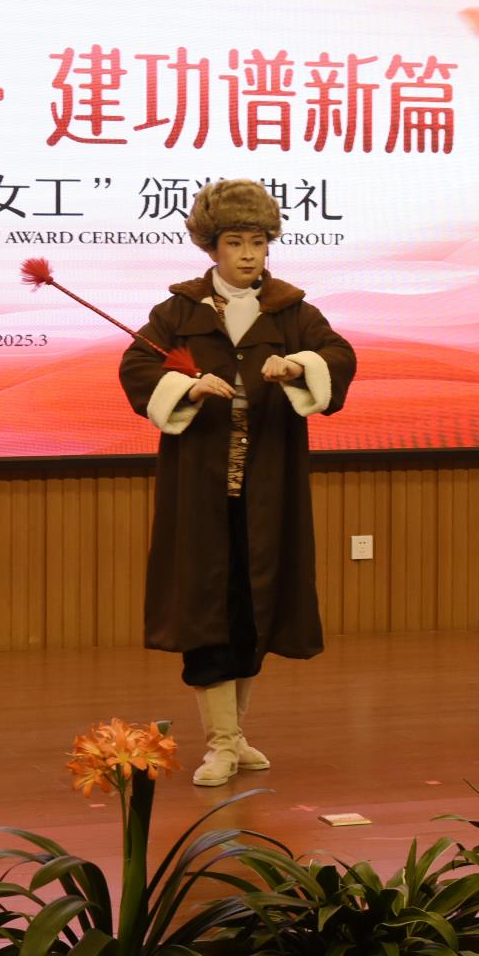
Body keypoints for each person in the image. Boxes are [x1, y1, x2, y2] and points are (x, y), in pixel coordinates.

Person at [118, 179, 356, 787]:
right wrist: (188, 386)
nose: (249, 254)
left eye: (257, 241)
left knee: (256, 607)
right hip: (201, 490)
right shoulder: (178, 312)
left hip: (268, 489)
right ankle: (220, 744)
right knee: (206, 609)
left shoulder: (292, 311)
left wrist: (299, 364)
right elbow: (138, 366)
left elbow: (339, 355)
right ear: (212, 247)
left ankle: (235, 734)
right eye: (235, 242)